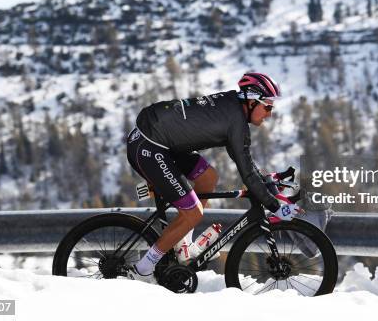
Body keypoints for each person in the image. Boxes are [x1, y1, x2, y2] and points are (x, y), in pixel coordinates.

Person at [126, 72, 299, 281]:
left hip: (162, 140)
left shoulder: (233, 105)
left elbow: (248, 165)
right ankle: (142, 270)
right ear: (252, 101)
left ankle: (183, 246)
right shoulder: (236, 123)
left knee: (208, 177)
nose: (270, 114)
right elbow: (247, 171)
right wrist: (275, 206)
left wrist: (264, 183)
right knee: (193, 213)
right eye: (268, 107)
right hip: (150, 145)